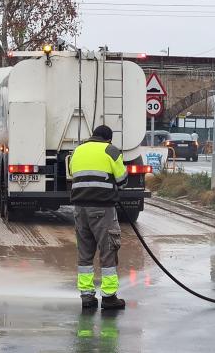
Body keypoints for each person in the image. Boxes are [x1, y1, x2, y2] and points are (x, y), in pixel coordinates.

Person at [69, 125, 128, 310]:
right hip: (102, 209)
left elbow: (73, 173)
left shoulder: (78, 150)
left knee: (85, 253)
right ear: (108, 139)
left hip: (80, 209)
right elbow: (122, 179)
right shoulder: (110, 150)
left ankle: (87, 296)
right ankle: (109, 297)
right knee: (108, 251)